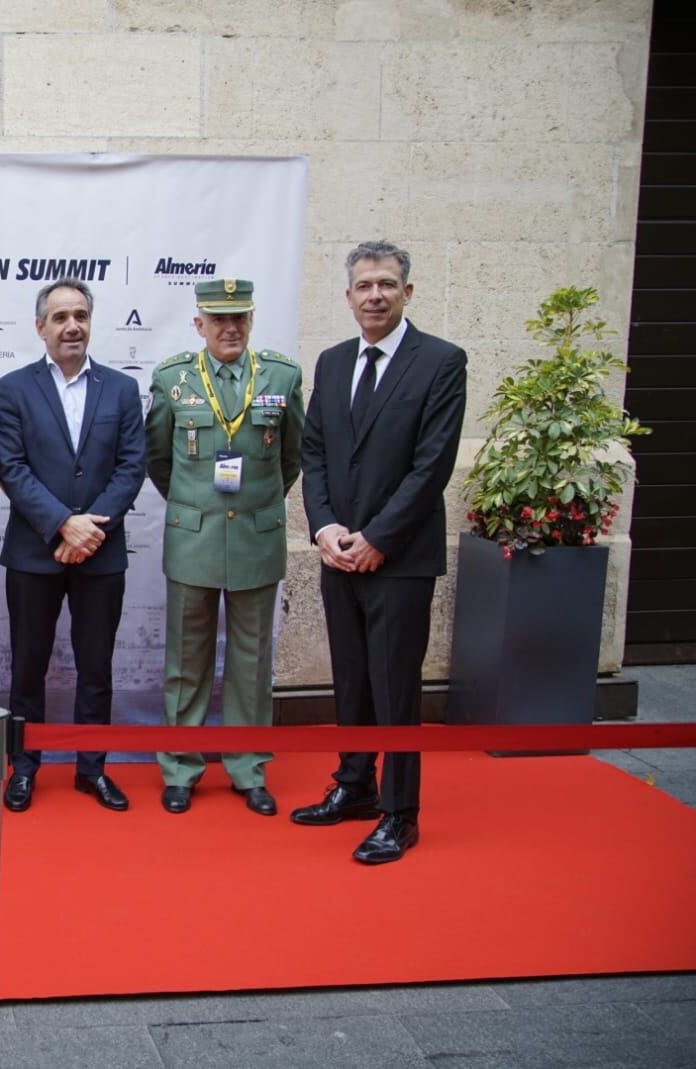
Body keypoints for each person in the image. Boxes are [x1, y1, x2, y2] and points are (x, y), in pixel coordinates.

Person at [293, 240, 467, 863]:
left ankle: (400, 813)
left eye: (387, 285)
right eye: (364, 285)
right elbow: (314, 454)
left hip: (400, 558)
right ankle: (355, 786)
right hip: (339, 553)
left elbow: (432, 466)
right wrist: (326, 529)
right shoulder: (334, 363)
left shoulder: (442, 363)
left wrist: (378, 538)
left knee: (395, 690)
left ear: (407, 293)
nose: (375, 295)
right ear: (348, 296)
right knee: (352, 682)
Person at [145, 279, 305, 817]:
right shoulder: (174, 380)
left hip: (257, 539)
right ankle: (181, 768)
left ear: (252, 319)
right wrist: (196, 508)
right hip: (194, 538)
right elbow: (158, 461)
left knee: (251, 662)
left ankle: (248, 768)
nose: (229, 328)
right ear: (199, 325)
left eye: (239, 318)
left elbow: (291, 457)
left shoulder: (282, 376)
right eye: (218, 320)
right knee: (186, 662)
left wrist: (255, 506)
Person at [0, 278, 145, 813]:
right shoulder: (12, 389)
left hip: (100, 554)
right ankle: (24, 767)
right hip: (35, 553)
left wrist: (88, 530)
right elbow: (10, 468)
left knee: (95, 666)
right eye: (59, 317)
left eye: (79, 315)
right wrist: (63, 524)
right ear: (40, 327)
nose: (71, 325)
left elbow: (131, 467)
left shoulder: (122, 390)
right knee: (27, 668)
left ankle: (91, 768)